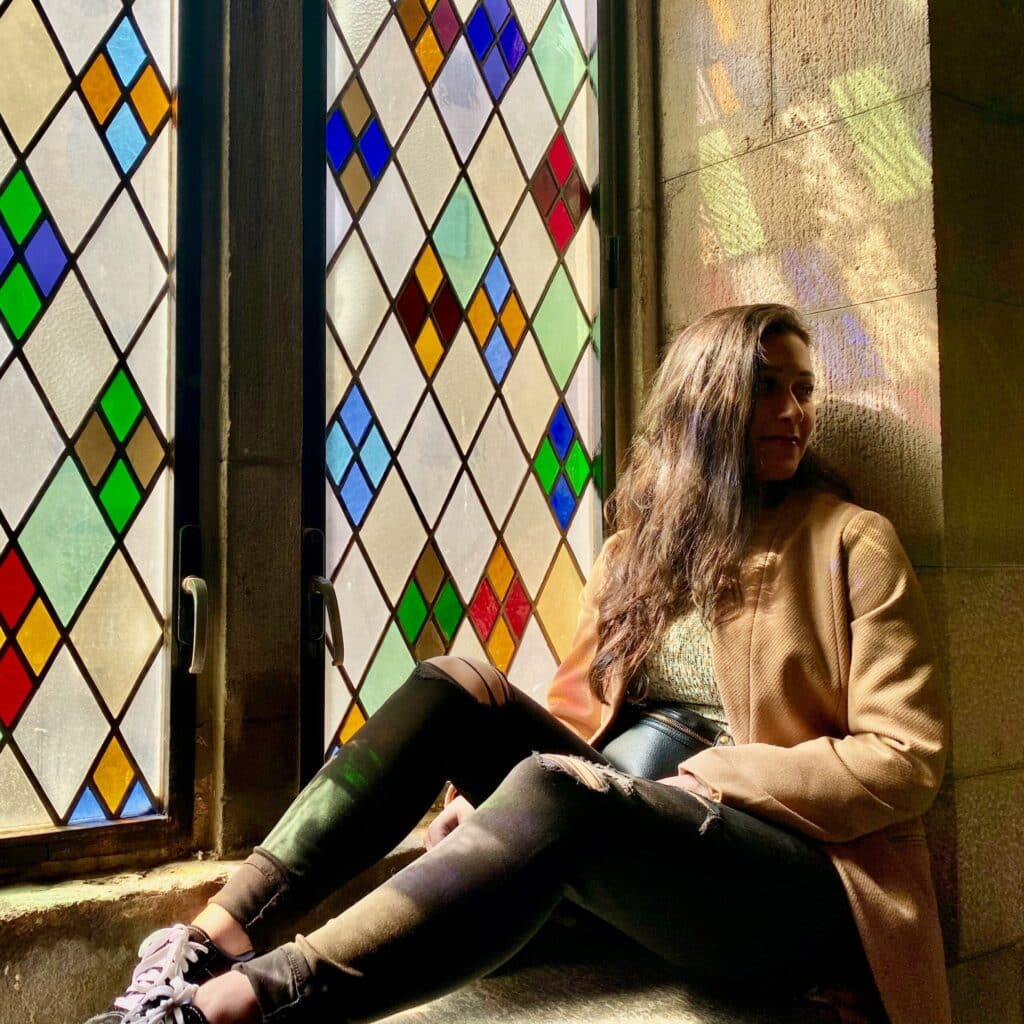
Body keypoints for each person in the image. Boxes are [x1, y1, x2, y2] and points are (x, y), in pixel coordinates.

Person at [86, 304, 950, 1024]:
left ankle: (238, 1007)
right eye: (767, 386)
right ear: (706, 401)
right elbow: (575, 714)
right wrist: (490, 804)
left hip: (787, 876)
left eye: (804, 390)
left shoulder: (850, 542)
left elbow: (905, 759)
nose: (794, 411)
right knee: (454, 685)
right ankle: (208, 941)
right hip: (630, 836)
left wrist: (716, 776)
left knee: (560, 788)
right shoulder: (638, 552)